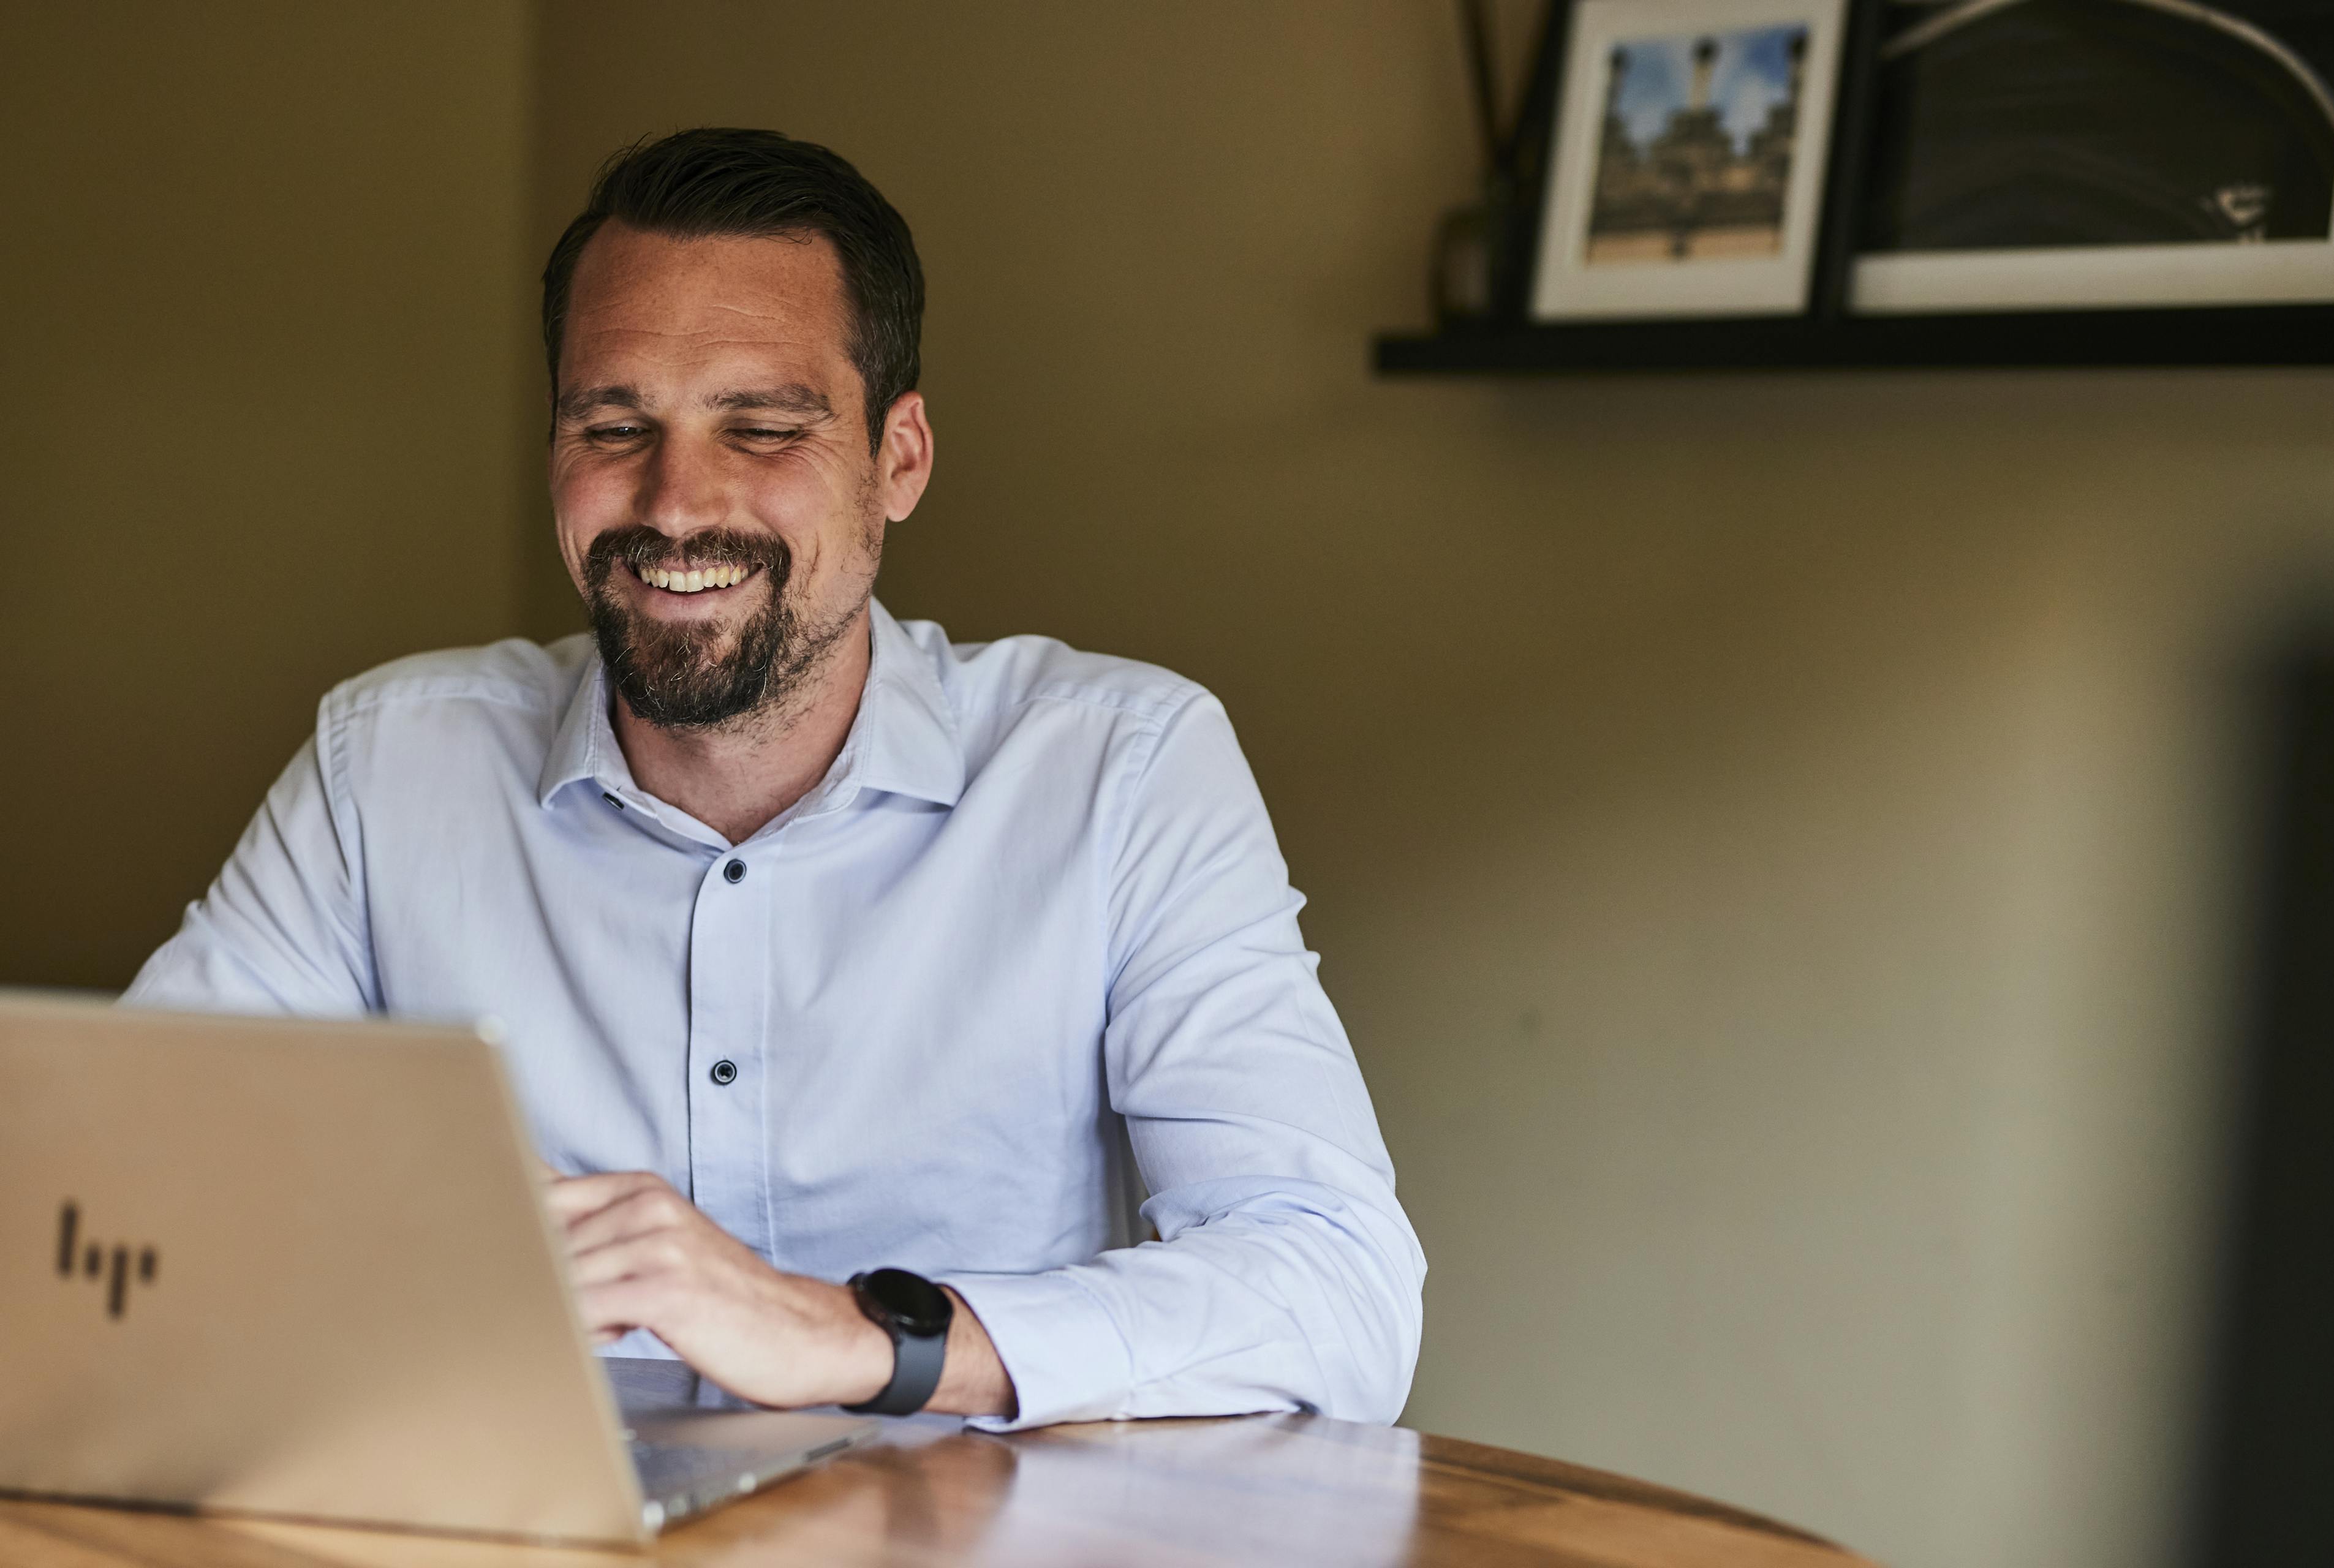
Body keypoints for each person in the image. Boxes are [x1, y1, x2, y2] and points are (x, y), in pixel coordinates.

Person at [126, 128, 1422, 1430]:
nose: (678, 503)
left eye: (761, 428)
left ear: (897, 461)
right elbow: (109, 1200)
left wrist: (851, 1334)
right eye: (615, 424)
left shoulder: (1119, 769)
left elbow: (1341, 1291)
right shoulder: (386, 766)